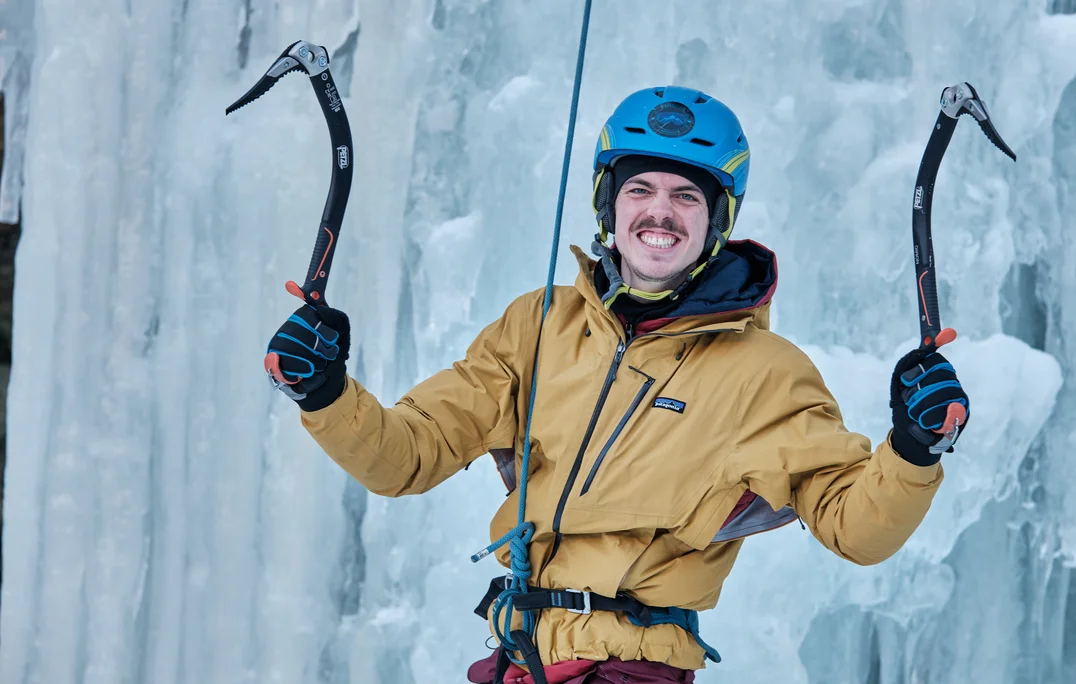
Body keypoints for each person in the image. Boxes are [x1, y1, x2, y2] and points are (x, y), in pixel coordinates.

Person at [264, 86, 970, 684]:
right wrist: (324, 393)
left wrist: (914, 447)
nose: (658, 212)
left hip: (634, 668)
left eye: (686, 196)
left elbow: (854, 527)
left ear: (717, 220)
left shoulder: (766, 375)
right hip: (521, 656)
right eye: (640, 189)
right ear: (609, 204)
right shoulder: (539, 326)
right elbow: (406, 457)